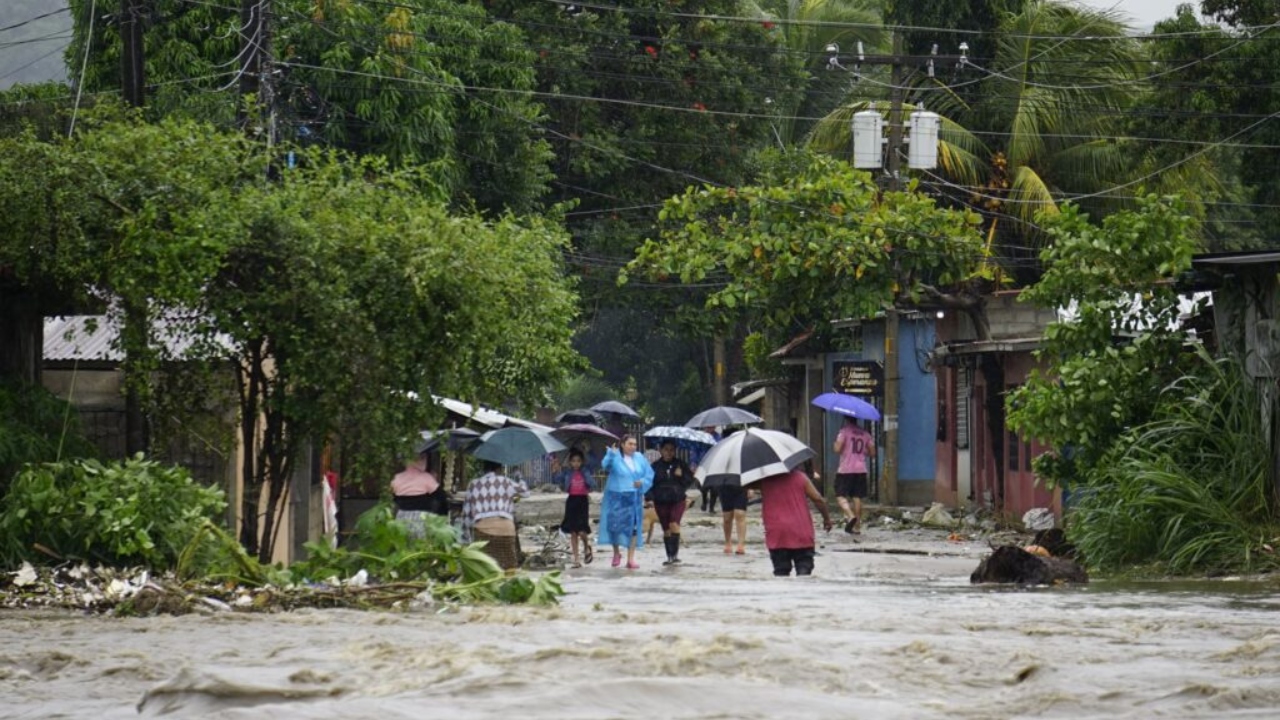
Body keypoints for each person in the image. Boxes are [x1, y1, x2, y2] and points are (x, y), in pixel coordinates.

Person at [758, 469, 834, 576]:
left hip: (777, 534)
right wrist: (826, 519)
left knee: (781, 572)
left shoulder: (763, 481)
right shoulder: (800, 477)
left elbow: (744, 486)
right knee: (804, 570)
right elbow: (818, 499)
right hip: (801, 531)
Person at [461, 460, 529, 571]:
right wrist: (519, 476)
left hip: (482, 532)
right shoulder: (506, 481)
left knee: (486, 570)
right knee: (509, 567)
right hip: (506, 531)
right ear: (499, 469)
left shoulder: (474, 484)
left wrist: (465, 538)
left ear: (484, 469)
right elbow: (526, 492)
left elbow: (466, 514)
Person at [598, 434, 654, 569]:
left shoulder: (640, 458)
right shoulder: (615, 456)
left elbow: (649, 474)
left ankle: (630, 559)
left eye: (635, 444)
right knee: (614, 526)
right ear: (622, 444)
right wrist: (610, 454)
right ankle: (616, 553)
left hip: (634, 498)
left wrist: (642, 482)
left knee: (633, 528)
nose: (633, 447)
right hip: (616, 497)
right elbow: (605, 466)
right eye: (630, 444)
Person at [647, 440, 694, 565]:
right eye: (666, 449)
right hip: (660, 500)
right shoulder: (655, 466)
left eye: (672, 449)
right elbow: (648, 484)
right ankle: (669, 556)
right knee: (666, 528)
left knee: (674, 523)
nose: (669, 452)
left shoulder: (680, 464)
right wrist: (650, 498)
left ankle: (675, 555)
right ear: (661, 450)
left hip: (677, 499)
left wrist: (681, 475)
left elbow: (689, 481)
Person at [553, 449, 596, 567]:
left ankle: (587, 547)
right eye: (573, 461)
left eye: (578, 461)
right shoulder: (567, 472)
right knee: (573, 532)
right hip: (571, 501)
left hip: (583, 502)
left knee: (582, 531)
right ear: (570, 462)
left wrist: (587, 448)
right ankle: (576, 559)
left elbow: (593, 484)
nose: (576, 463)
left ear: (582, 462)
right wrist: (556, 469)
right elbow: (558, 480)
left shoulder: (586, 471)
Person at [833, 416, 876, 534]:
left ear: (846, 419)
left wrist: (836, 443)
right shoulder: (865, 434)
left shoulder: (844, 432)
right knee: (857, 497)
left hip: (845, 469)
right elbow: (872, 452)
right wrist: (863, 452)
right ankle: (857, 527)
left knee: (840, 495)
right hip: (861, 469)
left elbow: (837, 449)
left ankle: (850, 515)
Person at [390, 454, 447, 539]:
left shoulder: (396, 478)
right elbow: (441, 497)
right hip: (421, 519)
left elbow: (392, 496)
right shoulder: (426, 477)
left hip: (401, 517)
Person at [691, 426, 721, 512]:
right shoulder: (699, 437)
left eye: (711, 427)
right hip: (702, 464)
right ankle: (704, 501)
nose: (709, 428)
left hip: (715, 464)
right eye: (708, 427)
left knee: (715, 487)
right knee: (702, 485)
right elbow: (694, 451)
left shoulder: (718, 437)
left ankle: (711, 507)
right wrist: (693, 464)